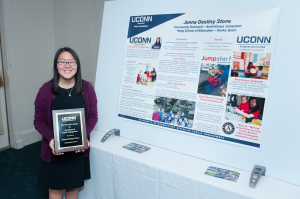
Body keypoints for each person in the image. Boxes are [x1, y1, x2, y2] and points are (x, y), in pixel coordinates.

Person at [34, 47, 98, 199]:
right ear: (56, 65)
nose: (67, 65)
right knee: (55, 190)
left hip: (77, 151)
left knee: (73, 187)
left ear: (77, 64)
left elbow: (93, 116)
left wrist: (83, 136)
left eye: (71, 62)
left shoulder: (87, 88)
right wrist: (51, 139)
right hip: (54, 150)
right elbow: (39, 121)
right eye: (62, 62)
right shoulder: (45, 90)